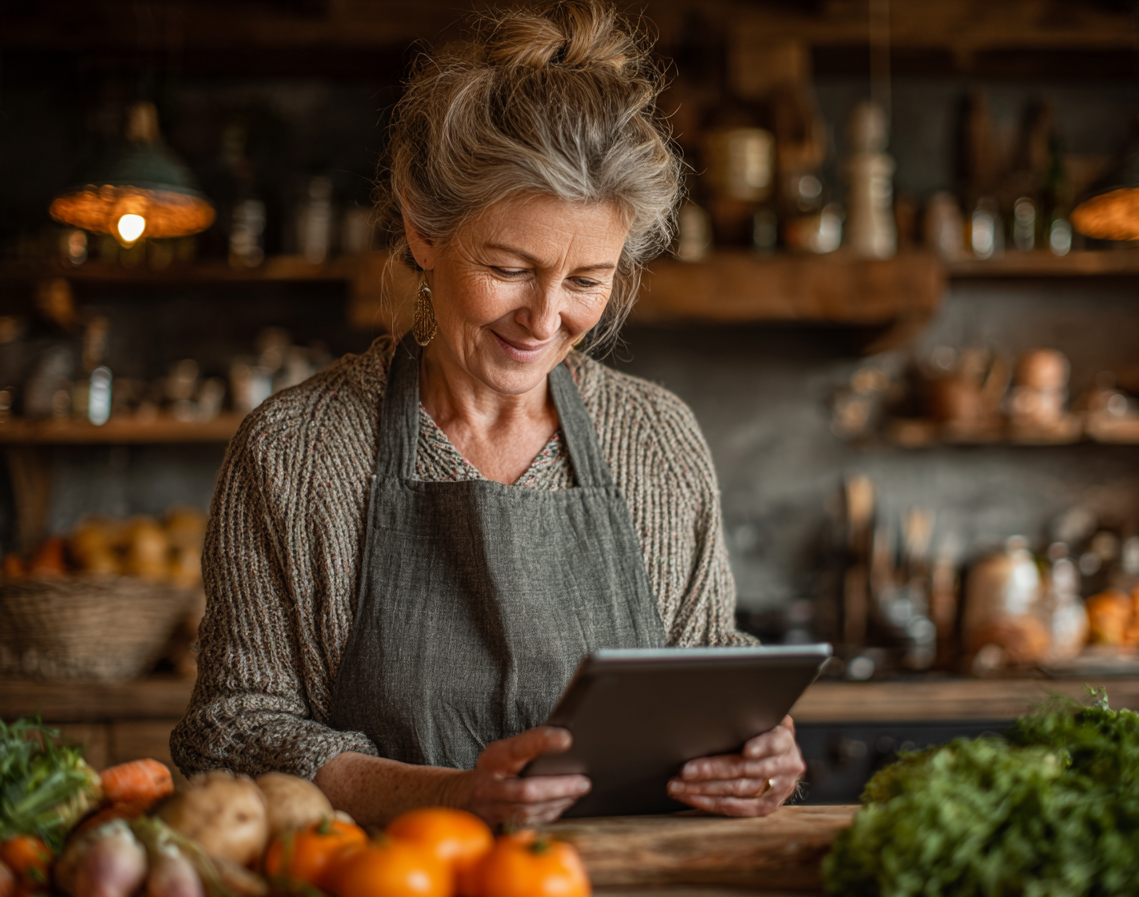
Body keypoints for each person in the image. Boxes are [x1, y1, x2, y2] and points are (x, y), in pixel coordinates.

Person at [170, 0, 805, 827]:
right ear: (423, 229)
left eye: (585, 282)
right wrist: (449, 796)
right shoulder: (297, 449)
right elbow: (230, 737)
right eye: (509, 268)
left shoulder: (655, 440)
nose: (544, 320)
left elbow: (711, 674)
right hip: (385, 896)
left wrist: (756, 754)